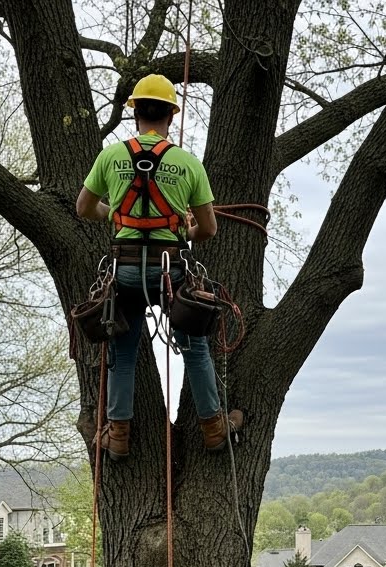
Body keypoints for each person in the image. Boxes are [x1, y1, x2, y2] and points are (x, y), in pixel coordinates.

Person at [76, 73, 243, 458]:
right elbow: (209, 229)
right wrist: (183, 228)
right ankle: (214, 430)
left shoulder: (111, 156)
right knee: (196, 347)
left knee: (122, 352)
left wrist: (117, 217)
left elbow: (84, 207)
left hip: (126, 270)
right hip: (171, 269)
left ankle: (118, 436)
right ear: (170, 115)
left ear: (135, 114)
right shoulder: (187, 163)